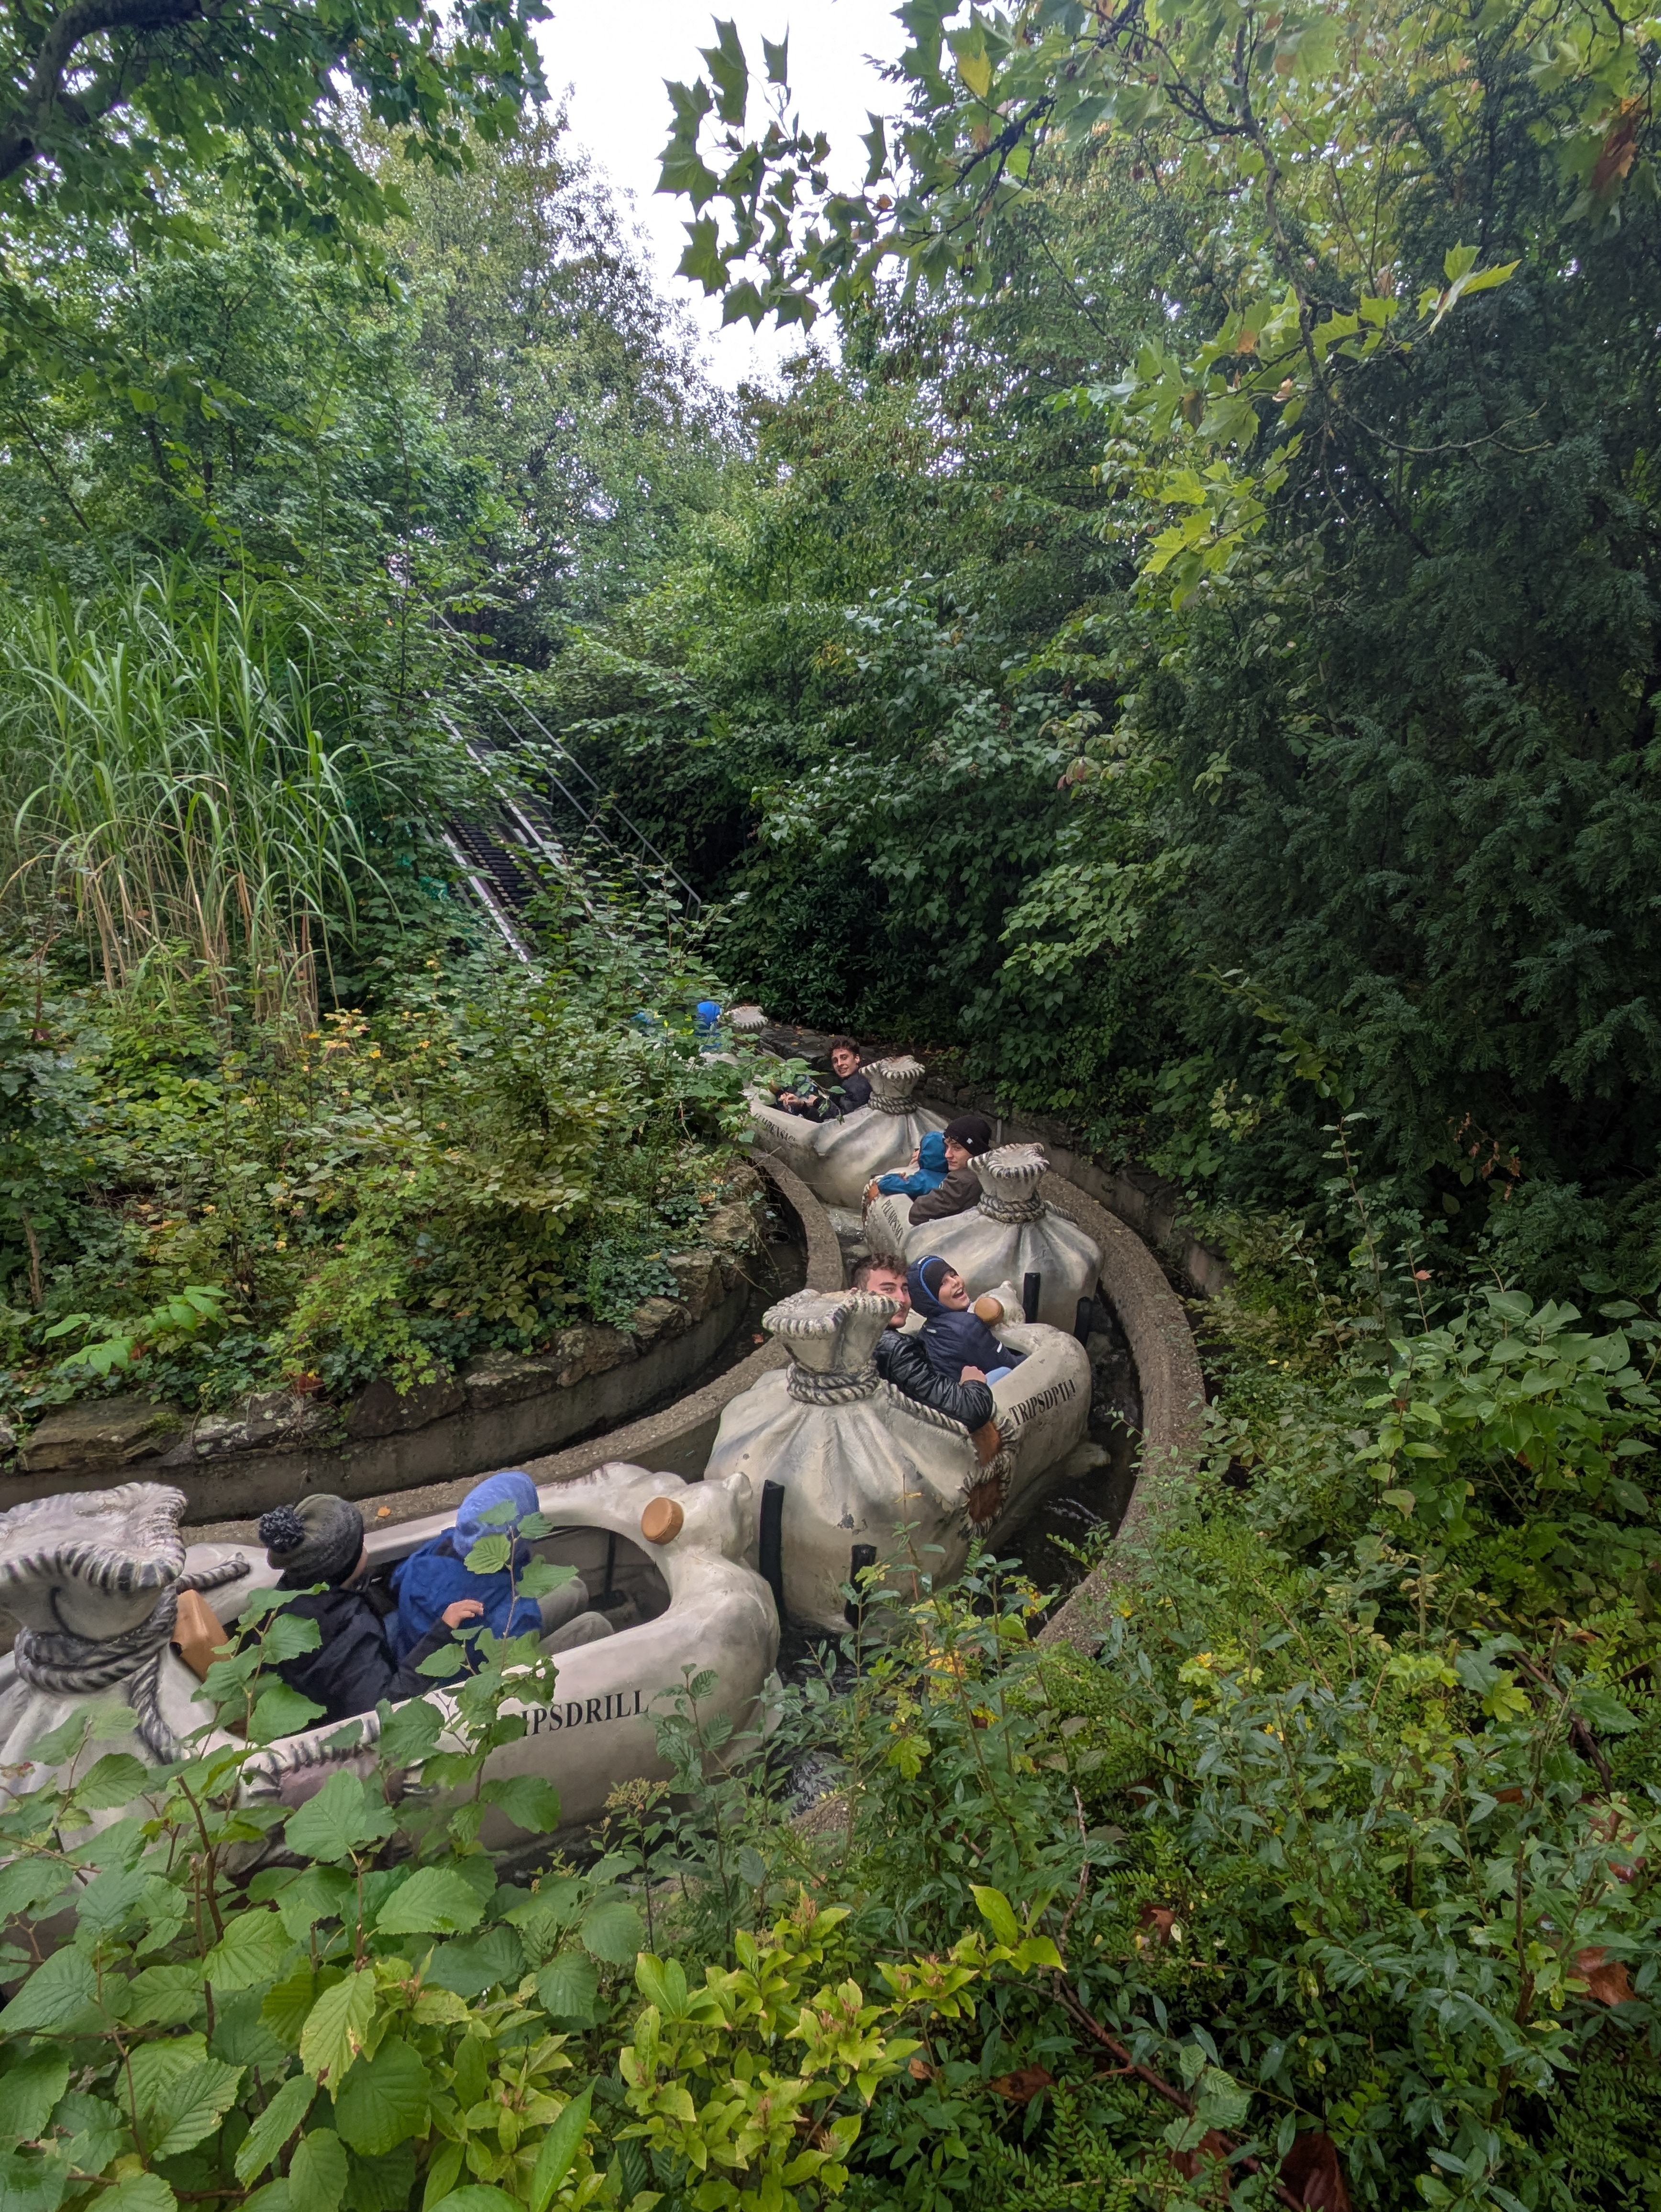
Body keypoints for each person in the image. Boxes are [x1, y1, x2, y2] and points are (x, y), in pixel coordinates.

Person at [254, 1494, 478, 1727]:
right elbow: (385, 1705)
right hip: (354, 1710)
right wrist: (441, 1635)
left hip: (320, 1685)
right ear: (344, 1567)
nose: (364, 1547)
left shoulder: (291, 1591)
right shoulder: (349, 1635)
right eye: (359, 1545)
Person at [389, 1470, 613, 1662]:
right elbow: (508, 1642)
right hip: (483, 1665)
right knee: (596, 1625)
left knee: (575, 1588)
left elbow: (396, 1579)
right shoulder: (505, 1611)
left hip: (412, 1648)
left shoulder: (439, 1548)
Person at [852, 1253, 997, 1433]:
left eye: (905, 1290)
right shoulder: (897, 1349)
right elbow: (971, 1411)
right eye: (889, 1290)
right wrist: (973, 1382)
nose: (902, 1299)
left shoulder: (851, 1338)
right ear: (857, 1295)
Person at [907, 1255, 1027, 1385]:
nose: (955, 1282)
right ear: (928, 1299)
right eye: (943, 1283)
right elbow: (1012, 1365)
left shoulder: (926, 1331)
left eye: (953, 1275)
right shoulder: (967, 1327)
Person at [906, 1115, 994, 1224]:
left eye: (957, 1148)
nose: (947, 1155)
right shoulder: (990, 1168)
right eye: (947, 1146)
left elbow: (916, 1213)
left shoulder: (960, 1182)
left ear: (976, 1150)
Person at [866, 1128, 949, 1207]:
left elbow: (885, 1184)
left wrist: (898, 1177)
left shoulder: (923, 1180)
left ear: (924, 1155)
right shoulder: (951, 1177)